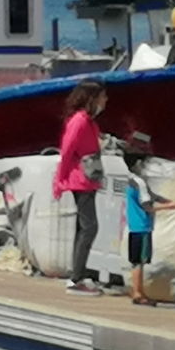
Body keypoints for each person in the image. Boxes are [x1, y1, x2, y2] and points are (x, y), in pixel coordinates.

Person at [53, 80, 107, 296]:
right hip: (81, 180)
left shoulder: (89, 122)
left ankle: (78, 274)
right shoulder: (80, 121)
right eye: (102, 97)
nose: (105, 101)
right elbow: (67, 151)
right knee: (90, 227)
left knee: (83, 228)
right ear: (92, 98)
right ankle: (76, 278)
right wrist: (59, 181)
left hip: (89, 178)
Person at [122, 149, 175, 306]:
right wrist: (169, 207)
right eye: (143, 163)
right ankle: (138, 294)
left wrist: (168, 201)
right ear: (138, 164)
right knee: (139, 262)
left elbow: (152, 196)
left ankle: (137, 292)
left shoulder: (131, 181)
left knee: (136, 261)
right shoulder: (140, 182)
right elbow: (147, 205)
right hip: (142, 226)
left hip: (134, 226)